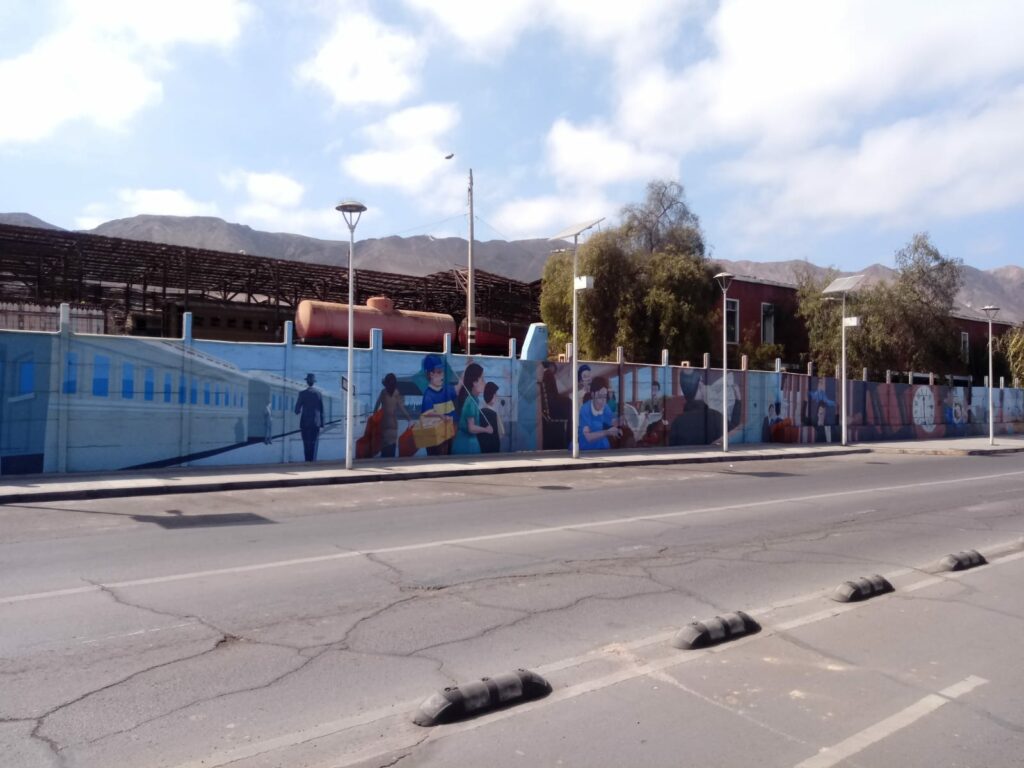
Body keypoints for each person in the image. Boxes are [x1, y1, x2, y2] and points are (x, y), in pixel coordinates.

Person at [420, 354, 457, 455]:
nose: (442, 375)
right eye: (439, 372)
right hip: (436, 438)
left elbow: (458, 388)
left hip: (448, 434)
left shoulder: (446, 389)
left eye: (442, 372)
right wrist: (441, 416)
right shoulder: (429, 395)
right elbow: (427, 413)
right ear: (431, 374)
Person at [453, 362, 493, 454]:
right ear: (474, 382)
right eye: (482, 379)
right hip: (465, 446)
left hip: (469, 444)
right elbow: (471, 428)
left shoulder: (474, 400)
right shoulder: (470, 402)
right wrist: (486, 430)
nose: (485, 383)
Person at [374, 372, 412, 458]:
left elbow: (377, 405)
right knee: (392, 447)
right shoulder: (396, 393)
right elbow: (402, 408)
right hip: (393, 423)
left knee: (385, 448)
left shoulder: (383, 392)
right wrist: (409, 418)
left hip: (384, 422)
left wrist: (374, 417)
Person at [578, 376, 621, 450]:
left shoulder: (605, 407)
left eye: (605, 397)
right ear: (592, 395)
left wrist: (619, 420)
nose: (603, 401)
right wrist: (607, 432)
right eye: (600, 397)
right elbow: (588, 437)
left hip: (601, 442)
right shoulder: (585, 409)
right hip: (586, 447)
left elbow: (611, 421)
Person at [294, 373, 323, 462]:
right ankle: (312, 460)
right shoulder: (318, 394)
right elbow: (322, 409)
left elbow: (296, 410)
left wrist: (299, 411)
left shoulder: (302, 394)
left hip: (305, 422)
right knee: (314, 442)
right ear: (314, 382)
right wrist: (322, 423)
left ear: (307, 382)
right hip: (315, 422)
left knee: (306, 443)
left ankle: (307, 460)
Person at [478, 381, 503, 453]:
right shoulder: (495, 414)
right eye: (495, 394)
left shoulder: (479, 412)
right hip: (493, 449)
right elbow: (501, 433)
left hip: (482, 449)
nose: (496, 396)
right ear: (492, 395)